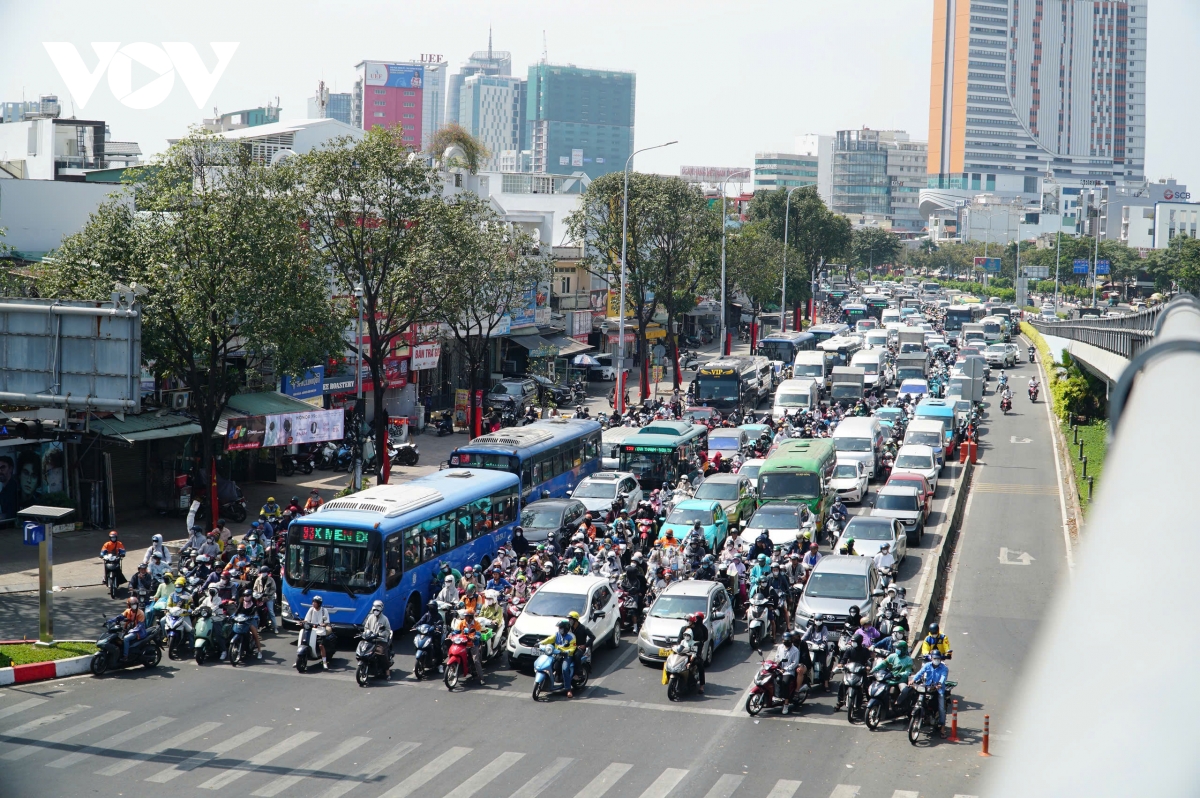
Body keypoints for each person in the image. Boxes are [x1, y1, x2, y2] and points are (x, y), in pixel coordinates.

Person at [908, 651, 951, 734]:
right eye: (935, 658)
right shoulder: (927, 665)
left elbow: (943, 677)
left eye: (938, 658)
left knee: (941, 708)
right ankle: (915, 722)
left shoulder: (944, 668)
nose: (936, 660)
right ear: (931, 658)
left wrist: (939, 684)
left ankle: (942, 727)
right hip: (927, 687)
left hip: (938, 689)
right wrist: (913, 680)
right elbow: (920, 673)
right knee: (917, 701)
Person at [540, 619, 577, 696]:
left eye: (561, 628)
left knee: (565, 669)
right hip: (557, 654)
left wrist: (567, 652)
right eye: (559, 628)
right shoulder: (557, 634)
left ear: (566, 628)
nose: (559, 629)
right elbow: (549, 639)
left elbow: (573, 648)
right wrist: (540, 643)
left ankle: (568, 689)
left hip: (567, 656)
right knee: (548, 664)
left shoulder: (571, 637)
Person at [452, 609, 485, 684]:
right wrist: (451, 634)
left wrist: (475, 637)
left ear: (471, 617)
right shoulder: (462, 623)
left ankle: (481, 678)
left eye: (466, 616)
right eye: (465, 616)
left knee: (476, 660)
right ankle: (451, 673)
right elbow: (456, 631)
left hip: (473, 645)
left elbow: (478, 634)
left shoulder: (476, 624)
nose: (465, 618)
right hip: (463, 644)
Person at [774, 631, 803, 713]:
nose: (786, 642)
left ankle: (786, 705)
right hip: (779, 668)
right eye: (785, 640)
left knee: (785, 682)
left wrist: (785, 669)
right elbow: (777, 657)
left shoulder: (795, 650)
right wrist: (777, 662)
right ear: (782, 640)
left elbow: (795, 663)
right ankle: (776, 696)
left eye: (788, 640)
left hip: (789, 672)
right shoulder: (780, 647)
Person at [302, 595, 332, 667]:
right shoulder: (311, 609)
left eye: (315, 602)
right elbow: (307, 619)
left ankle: (324, 662)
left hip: (320, 631)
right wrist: (302, 622)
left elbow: (327, 622)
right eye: (313, 602)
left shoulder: (324, 611)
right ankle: (299, 660)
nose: (313, 603)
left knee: (321, 645)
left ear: (319, 603)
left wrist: (322, 625)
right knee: (303, 642)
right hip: (311, 630)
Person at [566, 610, 596, 682]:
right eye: (569, 619)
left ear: (575, 620)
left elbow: (593, 637)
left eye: (570, 619)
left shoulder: (583, 628)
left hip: (580, 648)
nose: (569, 621)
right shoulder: (569, 628)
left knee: (576, 656)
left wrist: (585, 645)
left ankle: (578, 674)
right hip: (571, 646)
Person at [685, 612, 708, 694]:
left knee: (699, 664)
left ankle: (702, 686)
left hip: (696, 649)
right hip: (685, 648)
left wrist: (697, 644)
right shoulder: (685, 628)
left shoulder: (701, 629)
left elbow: (704, 639)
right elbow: (680, 639)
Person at [235, 591, 263, 658]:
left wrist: (255, 616)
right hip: (242, 619)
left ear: (251, 596)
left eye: (248, 595)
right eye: (245, 595)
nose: (246, 597)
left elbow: (256, 611)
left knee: (255, 634)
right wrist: (234, 615)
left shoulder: (254, 603)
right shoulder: (241, 601)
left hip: (251, 619)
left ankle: (259, 651)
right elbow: (238, 610)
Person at [253, 567, 278, 633]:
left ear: (267, 573)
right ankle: (258, 626)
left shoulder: (271, 579)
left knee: (271, 611)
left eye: (265, 572)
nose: (263, 573)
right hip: (260, 598)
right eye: (262, 572)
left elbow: (273, 589)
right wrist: (257, 594)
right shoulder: (258, 579)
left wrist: (268, 594)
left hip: (269, 598)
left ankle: (275, 627)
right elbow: (254, 588)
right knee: (257, 612)